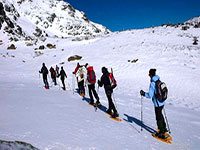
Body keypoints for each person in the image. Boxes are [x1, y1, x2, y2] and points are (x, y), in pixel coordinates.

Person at [140, 69, 167, 139]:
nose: (149, 75)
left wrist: (143, 94)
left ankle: (161, 133)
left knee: (158, 117)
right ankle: (164, 129)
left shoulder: (153, 83)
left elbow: (150, 95)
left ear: (151, 75)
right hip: (162, 102)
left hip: (157, 103)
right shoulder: (158, 80)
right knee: (161, 115)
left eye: (149, 74)